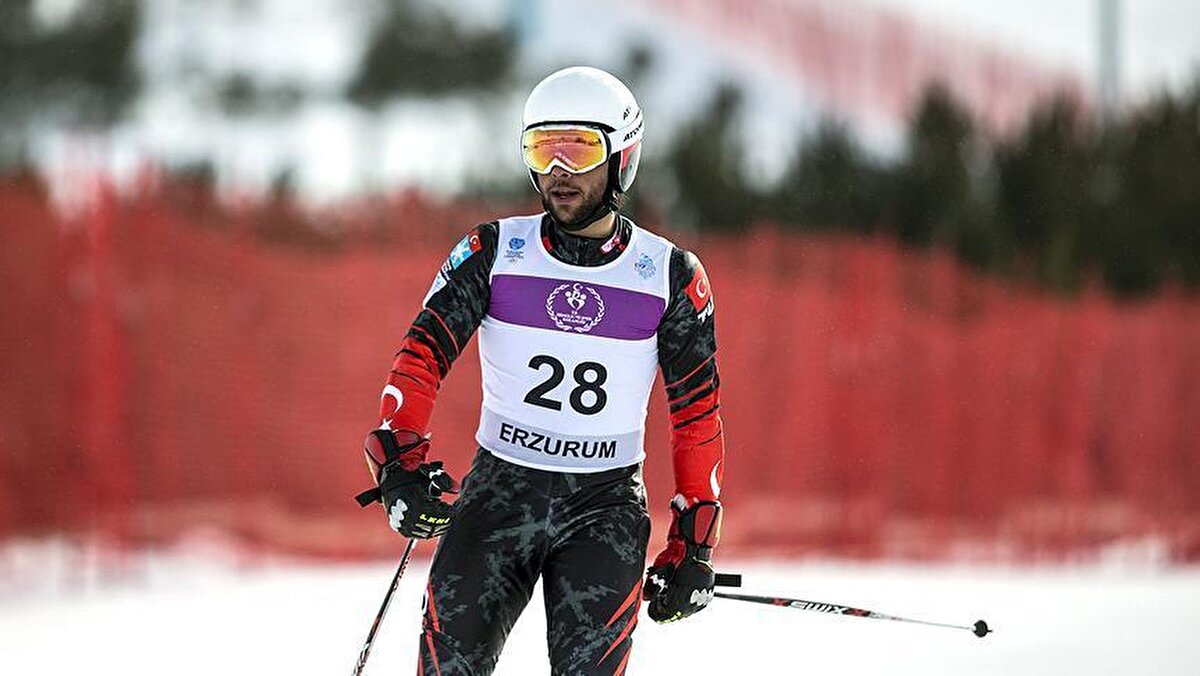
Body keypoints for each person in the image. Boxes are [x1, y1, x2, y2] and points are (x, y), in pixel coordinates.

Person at [360, 66, 726, 675]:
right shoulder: (493, 251)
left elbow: (696, 414)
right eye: (541, 148)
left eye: (578, 150)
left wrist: (694, 540)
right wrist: (399, 457)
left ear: (622, 157)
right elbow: (422, 355)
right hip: (499, 492)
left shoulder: (669, 275)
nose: (558, 170)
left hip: (604, 506)